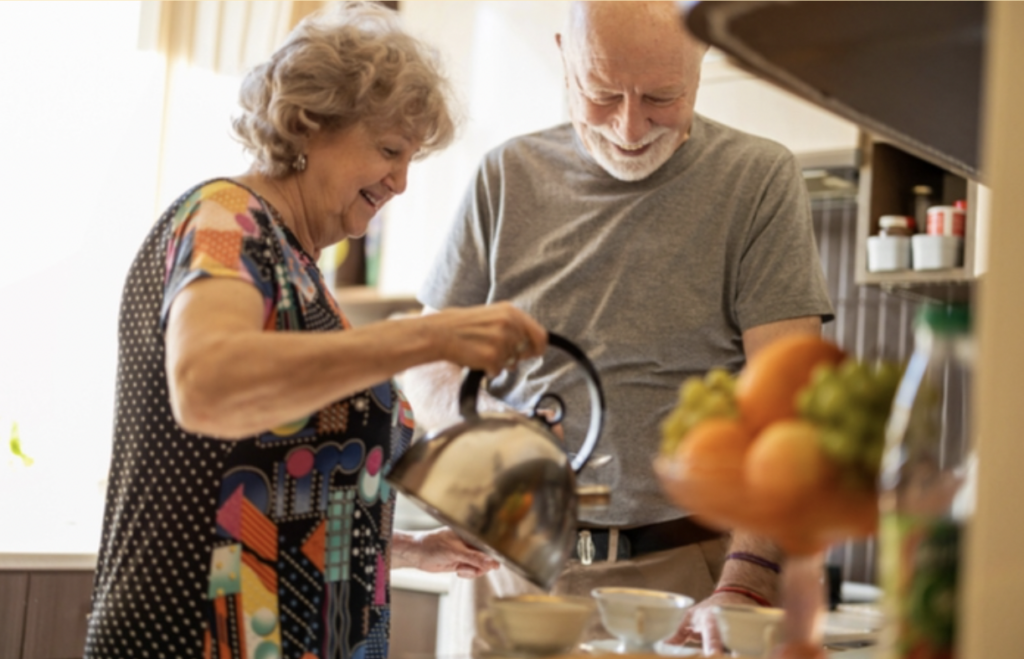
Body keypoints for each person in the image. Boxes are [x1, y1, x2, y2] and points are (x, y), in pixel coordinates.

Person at [83, 4, 549, 658]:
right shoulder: (226, 219)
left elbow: (274, 488)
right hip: (206, 636)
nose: (402, 181)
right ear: (309, 123)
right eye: (389, 150)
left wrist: (406, 547)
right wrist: (427, 337)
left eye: (412, 158)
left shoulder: (299, 268)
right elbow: (207, 385)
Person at [400, 1, 834, 655]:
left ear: (702, 60)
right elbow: (429, 364)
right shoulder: (506, 176)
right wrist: (497, 436)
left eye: (662, 96)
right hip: (515, 570)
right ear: (564, 56)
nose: (630, 128)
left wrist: (744, 580)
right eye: (602, 95)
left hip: (688, 577)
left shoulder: (757, 181)